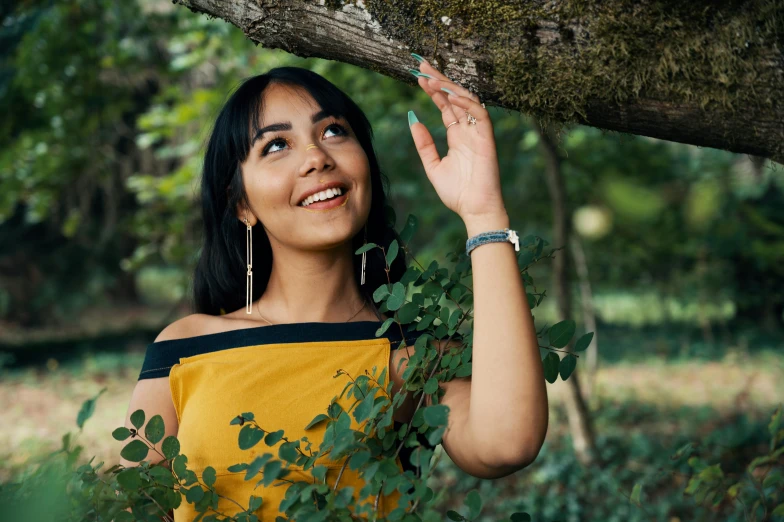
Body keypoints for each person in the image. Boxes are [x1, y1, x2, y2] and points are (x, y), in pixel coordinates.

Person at [121, 56, 548, 520]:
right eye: (276, 145)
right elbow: (135, 511)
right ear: (241, 202)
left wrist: (483, 213)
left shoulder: (415, 356)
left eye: (332, 132)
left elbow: (508, 443)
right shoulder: (185, 349)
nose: (316, 158)